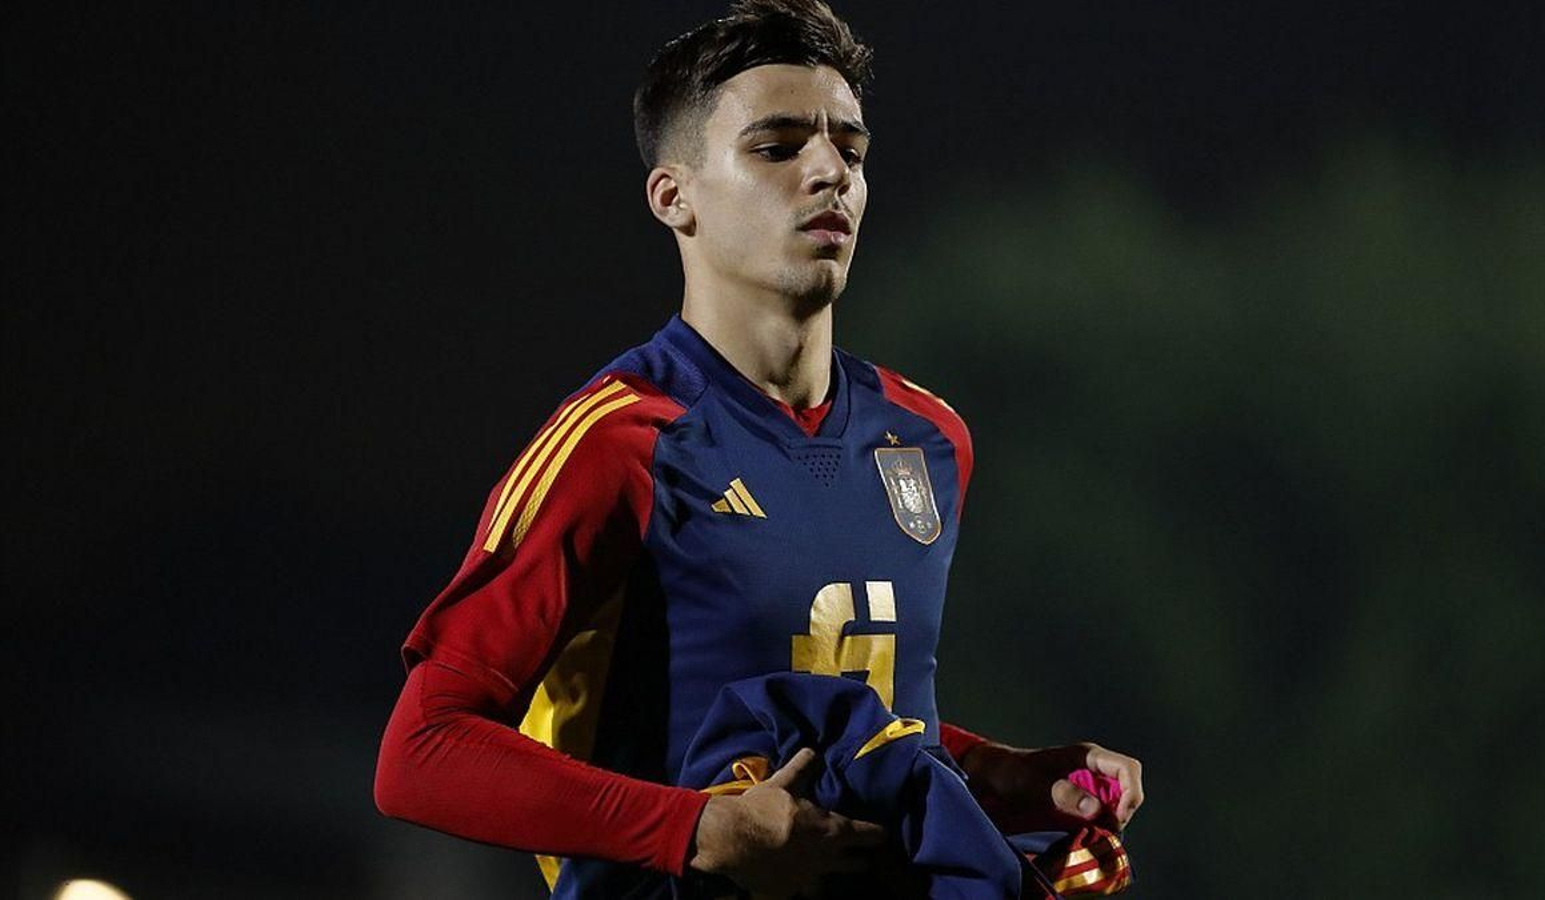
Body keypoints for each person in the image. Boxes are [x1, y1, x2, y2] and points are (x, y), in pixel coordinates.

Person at [373, 1, 1144, 896]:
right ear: (675, 197)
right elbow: (419, 752)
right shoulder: (618, 444)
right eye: (777, 147)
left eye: (850, 150)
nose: (829, 172)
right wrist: (698, 829)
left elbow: (868, 722)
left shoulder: (928, 437)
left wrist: (1013, 777)